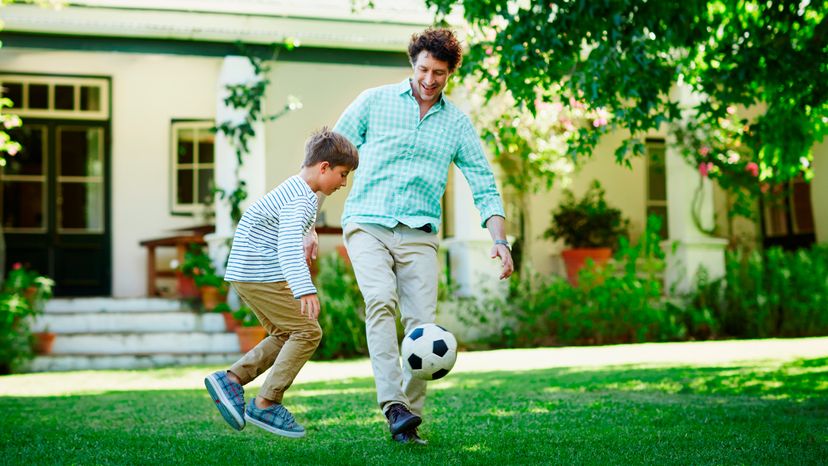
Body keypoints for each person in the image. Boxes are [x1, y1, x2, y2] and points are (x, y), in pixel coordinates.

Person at [328, 27, 514, 445]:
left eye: (440, 73)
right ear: (413, 64)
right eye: (424, 69)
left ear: (450, 73)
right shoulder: (374, 102)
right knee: (380, 300)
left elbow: (483, 183)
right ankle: (393, 404)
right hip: (368, 223)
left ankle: (407, 420)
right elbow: (330, 155)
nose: (430, 80)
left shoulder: (456, 123)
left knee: (422, 327)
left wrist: (500, 241)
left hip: (419, 233)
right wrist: (306, 221)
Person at [204, 128, 358, 438]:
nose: (344, 183)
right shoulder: (300, 199)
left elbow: (293, 225)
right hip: (260, 272)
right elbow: (288, 246)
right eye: (342, 174)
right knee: (308, 331)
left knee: (287, 333)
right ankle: (266, 402)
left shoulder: (298, 190)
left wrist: (310, 231)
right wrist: (305, 288)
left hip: (247, 272)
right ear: (324, 167)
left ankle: (231, 380)